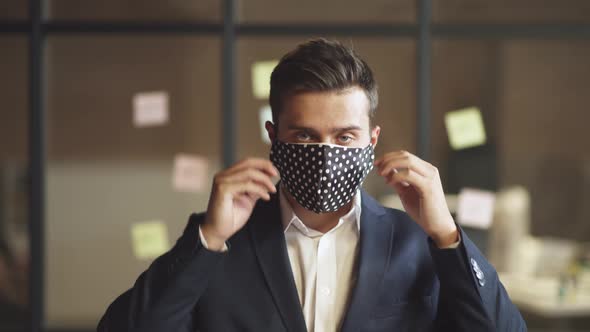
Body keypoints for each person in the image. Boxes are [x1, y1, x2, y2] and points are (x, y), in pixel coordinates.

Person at [98, 38, 526, 332]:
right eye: (305, 136)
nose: (325, 153)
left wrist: (448, 236)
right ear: (274, 136)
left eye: (344, 137)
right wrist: (207, 238)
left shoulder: (417, 242)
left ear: (371, 140)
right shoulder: (222, 242)